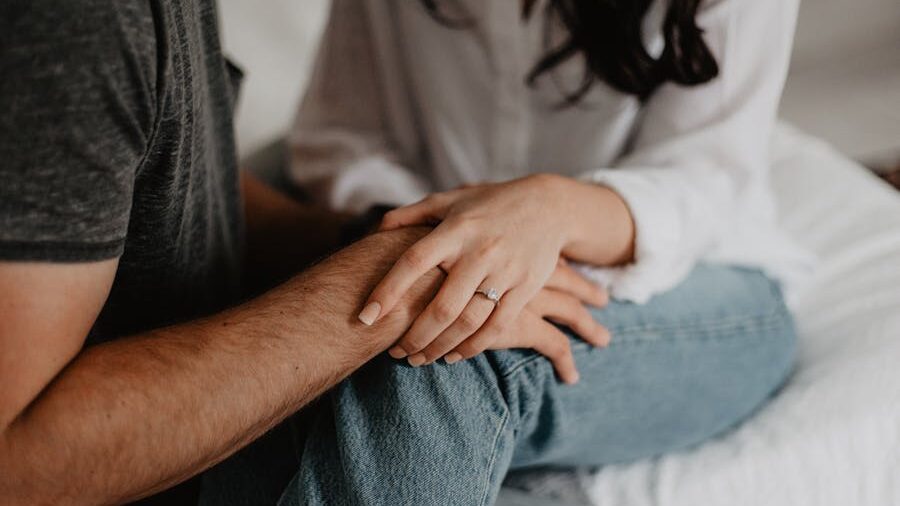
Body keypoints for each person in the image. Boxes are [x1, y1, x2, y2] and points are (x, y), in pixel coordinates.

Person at [0, 1, 600, 504]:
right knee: (446, 351)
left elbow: (157, 176)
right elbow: (15, 456)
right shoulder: (71, 21)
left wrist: (372, 239)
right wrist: (390, 281)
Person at [282, 0, 812, 503]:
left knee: (450, 341)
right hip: (426, 222)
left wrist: (550, 211)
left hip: (699, 269)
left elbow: (709, 179)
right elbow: (343, 135)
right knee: (415, 312)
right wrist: (442, 242)